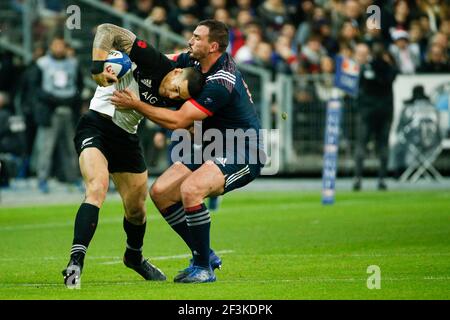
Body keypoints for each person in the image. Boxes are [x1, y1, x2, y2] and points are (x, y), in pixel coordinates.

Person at [111, 19, 265, 283]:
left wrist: (136, 104)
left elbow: (179, 121)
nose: (190, 41)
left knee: (191, 190)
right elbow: (163, 60)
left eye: (196, 37)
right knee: (161, 192)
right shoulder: (193, 62)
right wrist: (129, 60)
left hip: (244, 149)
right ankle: (206, 255)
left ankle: (203, 267)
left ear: (213, 46)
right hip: (213, 145)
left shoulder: (220, 81)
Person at [62, 23, 205, 288]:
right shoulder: (153, 61)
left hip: (127, 138)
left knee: (137, 211)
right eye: (175, 87)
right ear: (175, 72)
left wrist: (196, 129)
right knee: (97, 188)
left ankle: (134, 257)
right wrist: (97, 67)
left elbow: (186, 121)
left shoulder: (179, 99)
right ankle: (75, 263)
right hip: (97, 124)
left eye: (178, 95)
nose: (172, 94)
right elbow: (106, 30)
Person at [31, 36, 83, 193]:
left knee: (71, 147)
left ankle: (74, 178)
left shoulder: (73, 63)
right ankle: (42, 179)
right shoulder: (42, 64)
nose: (59, 48)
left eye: (61, 45)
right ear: (51, 47)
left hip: (69, 110)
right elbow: (35, 88)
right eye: (56, 45)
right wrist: (52, 99)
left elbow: (78, 84)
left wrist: (74, 99)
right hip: (51, 110)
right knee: (46, 147)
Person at [353, 42, 397, 191]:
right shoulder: (389, 69)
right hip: (385, 111)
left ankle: (358, 179)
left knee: (362, 144)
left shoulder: (366, 68)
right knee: (383, 145)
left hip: (367, 111)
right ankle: (382, 179)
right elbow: (390, 78)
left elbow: (358, 85)